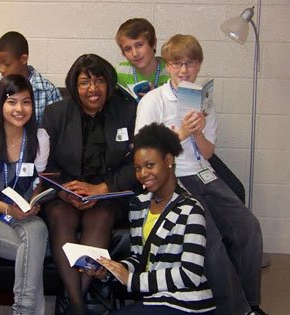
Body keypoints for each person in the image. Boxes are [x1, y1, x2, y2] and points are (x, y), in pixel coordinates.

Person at [135, 34, 265, 315]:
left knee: (248, 227)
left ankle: (250, 301)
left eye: (190, 63)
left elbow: (206, 153)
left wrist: (198, 131)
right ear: (167, 66)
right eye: (177, 64)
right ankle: (237, 310)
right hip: (172, 178)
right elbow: (144, 155)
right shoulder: (153, 101)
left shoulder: (203, 100)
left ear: (199, 65)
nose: (184, 70)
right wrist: (181, 132)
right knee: (211, 238)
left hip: (203, 172)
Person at [39, 54, 138, 315]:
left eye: (99, 80)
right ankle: (79, 306)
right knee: (60, 216)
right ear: (75, 86)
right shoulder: (55, 114)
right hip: (66, 194)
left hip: (109, 194)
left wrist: (102, 188)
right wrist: (64, 191)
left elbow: (135, 164)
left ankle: (74, 306)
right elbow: (45, 164)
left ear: (109, 83)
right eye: (85, 82)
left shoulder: (127, 112)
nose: (92, 89)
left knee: (101, 216)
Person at [89, 122, 216, 315]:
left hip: (188, 304)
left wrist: (131, 280)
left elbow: (190, 274)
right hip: (156, 301)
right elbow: (139, 258)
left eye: (150, 165)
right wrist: (112, 270)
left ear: (168, 160)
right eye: (138, 168)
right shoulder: (139, 204)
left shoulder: (191, 210)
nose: (142, 174)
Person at [0, 74, 48, 315]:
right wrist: (8, 210)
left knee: (39, 230)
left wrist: (35, 201)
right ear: (0, 104)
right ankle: (24, 310)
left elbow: (39, 182)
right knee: (33, 252)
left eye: (26, 102)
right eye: (12, 101)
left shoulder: (40, 138)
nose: (19, 109)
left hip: (22, 212)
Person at [0, 31, 62, 124]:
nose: (1, 69)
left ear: (23, 59)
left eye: (7, 64)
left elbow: (58, 129)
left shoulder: (47, 91)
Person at [115, 18, 170, 99]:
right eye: (127, 49)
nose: (135, 54)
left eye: (139, 45)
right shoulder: (118, 72)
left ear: (154, 43)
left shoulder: (171, 71)